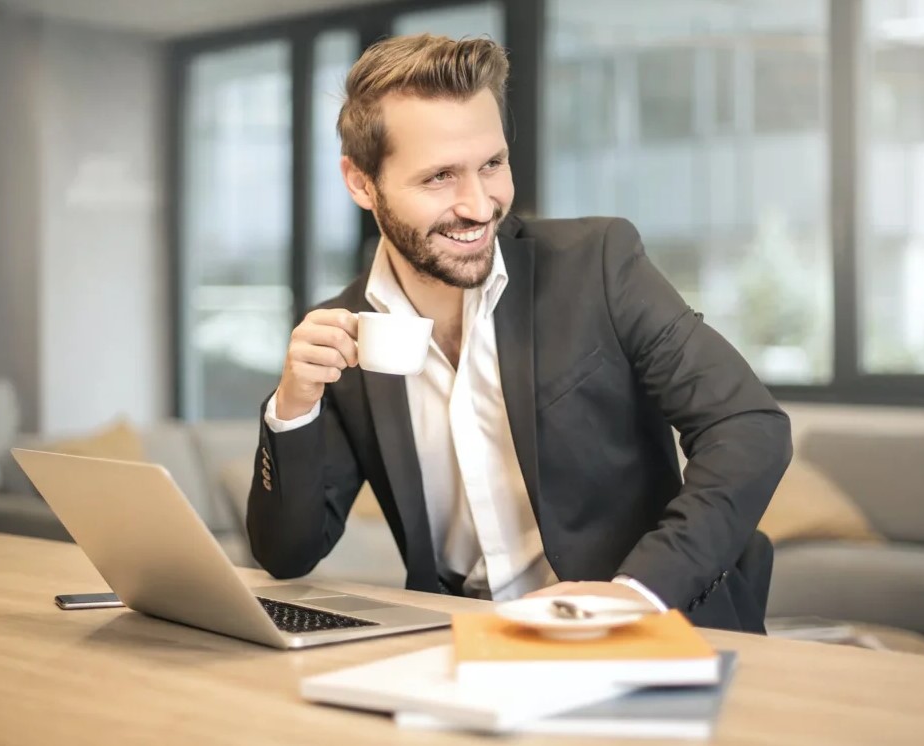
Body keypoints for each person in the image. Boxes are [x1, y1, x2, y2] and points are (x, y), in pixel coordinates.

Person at [247, 33, 792, 632]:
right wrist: (293, 408)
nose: (480, 205)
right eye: (439, 178)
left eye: (492, 164)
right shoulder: (346, 332)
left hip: (642, 630)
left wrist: (638, 591)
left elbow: (747, 427)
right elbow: (288, 554)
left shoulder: (598, 264)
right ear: (361, 183)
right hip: (461, 639)